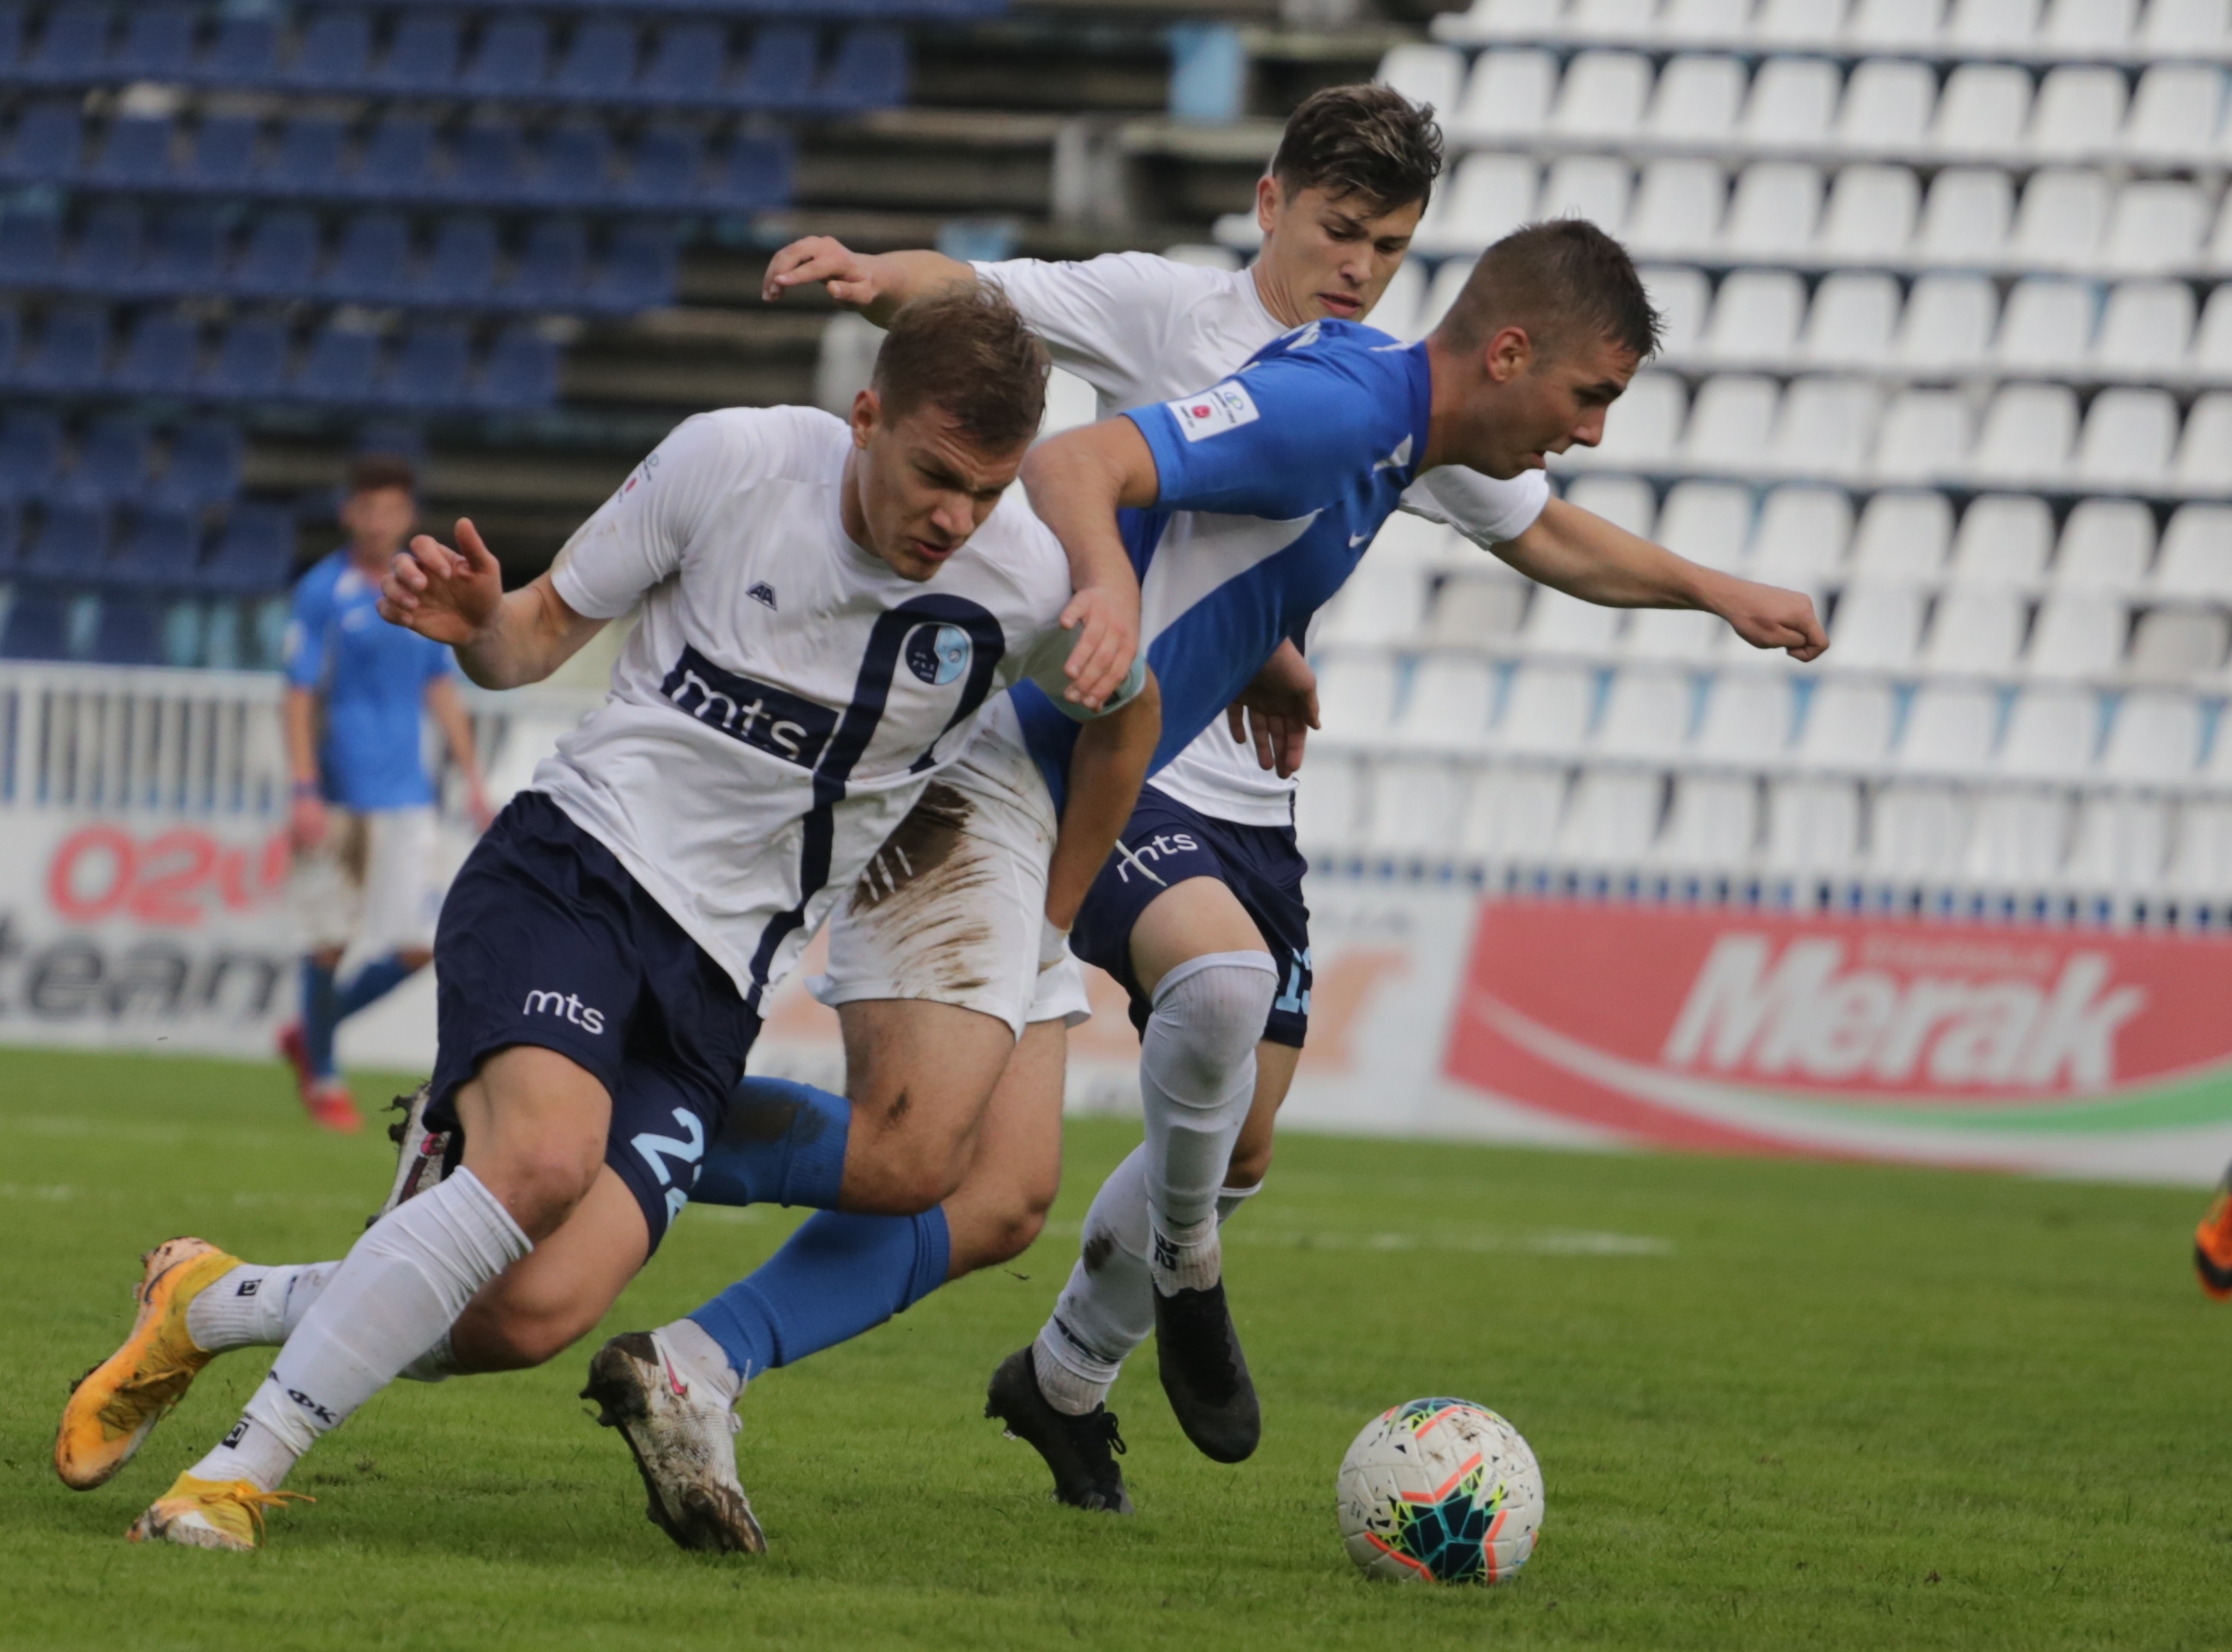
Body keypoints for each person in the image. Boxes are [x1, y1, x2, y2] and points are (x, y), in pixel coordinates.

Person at [753, 87, 1826, 1502]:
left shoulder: (1385, 393)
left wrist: (1709, 589)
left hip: (1238, 786)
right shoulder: (1179, 317)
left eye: (1388, 244)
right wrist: (877, 270)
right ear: (1269, 204)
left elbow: (1537, 530)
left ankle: (1066, 1376)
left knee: (1229, 1137)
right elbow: (997, 296)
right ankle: (1165, 1271)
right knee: (1183, 1017)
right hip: (1102, 752)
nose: (1359, 265)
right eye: (1339, 231)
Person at [52, 286, 1159, 1551]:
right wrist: (477, 626)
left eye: (987, 489)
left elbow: (1129, 711)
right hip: (574, 873)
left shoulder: (1021, 577)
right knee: (542, 1161)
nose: (953, 520)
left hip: (711, 991)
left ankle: (211, 1300)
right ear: (865, 416)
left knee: (526, 1317)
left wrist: (1052, 921)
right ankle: (229, 1479)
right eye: (933, 477)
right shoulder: (731, 459)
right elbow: (527, 639)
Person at [276, 454, 491, 1133]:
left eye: (391, 507)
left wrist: (473, 774)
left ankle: (312, 1034)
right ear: (348, 511)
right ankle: (326, 1077)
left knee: (418, 947)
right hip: (341, 793)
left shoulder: (420, 586)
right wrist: (304, 787)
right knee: (331, 941)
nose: (378, 520)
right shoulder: (323, 591)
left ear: (407, 514)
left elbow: (438, 683)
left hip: (407, 794)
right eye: (367, 506)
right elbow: (298, 694)